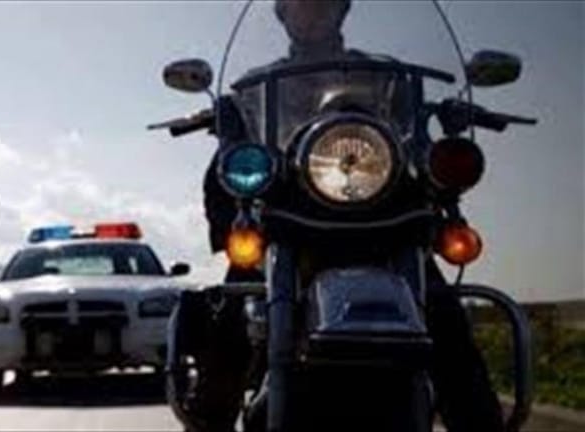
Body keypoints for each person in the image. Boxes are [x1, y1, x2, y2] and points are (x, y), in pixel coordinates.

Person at [192, 1, 505, 431]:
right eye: (300, 6)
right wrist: (228, 118)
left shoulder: (386, 77)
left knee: (445, 321)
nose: (311, 14)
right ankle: (210, 417)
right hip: (294, 216)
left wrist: (441, 112)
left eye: (322, 5)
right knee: (235, 309)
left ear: (341, 12)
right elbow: (243, 147)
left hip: (384, 218)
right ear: (283, 15)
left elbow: (413, 134)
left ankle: (480, 421)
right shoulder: (259, 86)